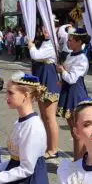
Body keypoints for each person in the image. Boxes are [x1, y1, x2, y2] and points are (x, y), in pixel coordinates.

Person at [26, 25, 62, 159]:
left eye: (49, 28)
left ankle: (53, 149)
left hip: (50, 81)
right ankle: (48, 146)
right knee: (44, 116)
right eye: (44, 28)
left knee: (49, 116)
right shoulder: (45, 43)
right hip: (42, 81)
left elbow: (36, 55)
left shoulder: (52, 44)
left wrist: (31, 46)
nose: (45, 31)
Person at [57, 31, 92, 158]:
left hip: (76, 93)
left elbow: (72, 78)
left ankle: (79, 160)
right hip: (68, 91)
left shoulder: (82, 58)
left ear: (79, 42)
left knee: (78, 133)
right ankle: (78, 158)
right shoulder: (71, 55)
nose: (68, 42)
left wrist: (62, 71)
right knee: (74, 132)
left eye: (71, 40)